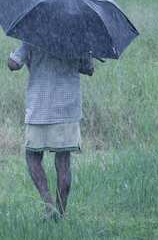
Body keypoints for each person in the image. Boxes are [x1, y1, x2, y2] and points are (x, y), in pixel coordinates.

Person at [8, 41, 94, 221]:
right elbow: (88, 69)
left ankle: (48, 205)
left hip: (40, 108)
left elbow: (14, 64)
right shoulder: (76, 39)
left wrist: (15, 57)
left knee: (32, 157)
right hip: (67, 110)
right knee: (63, 163)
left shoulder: (33, 37)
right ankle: (61, 214)